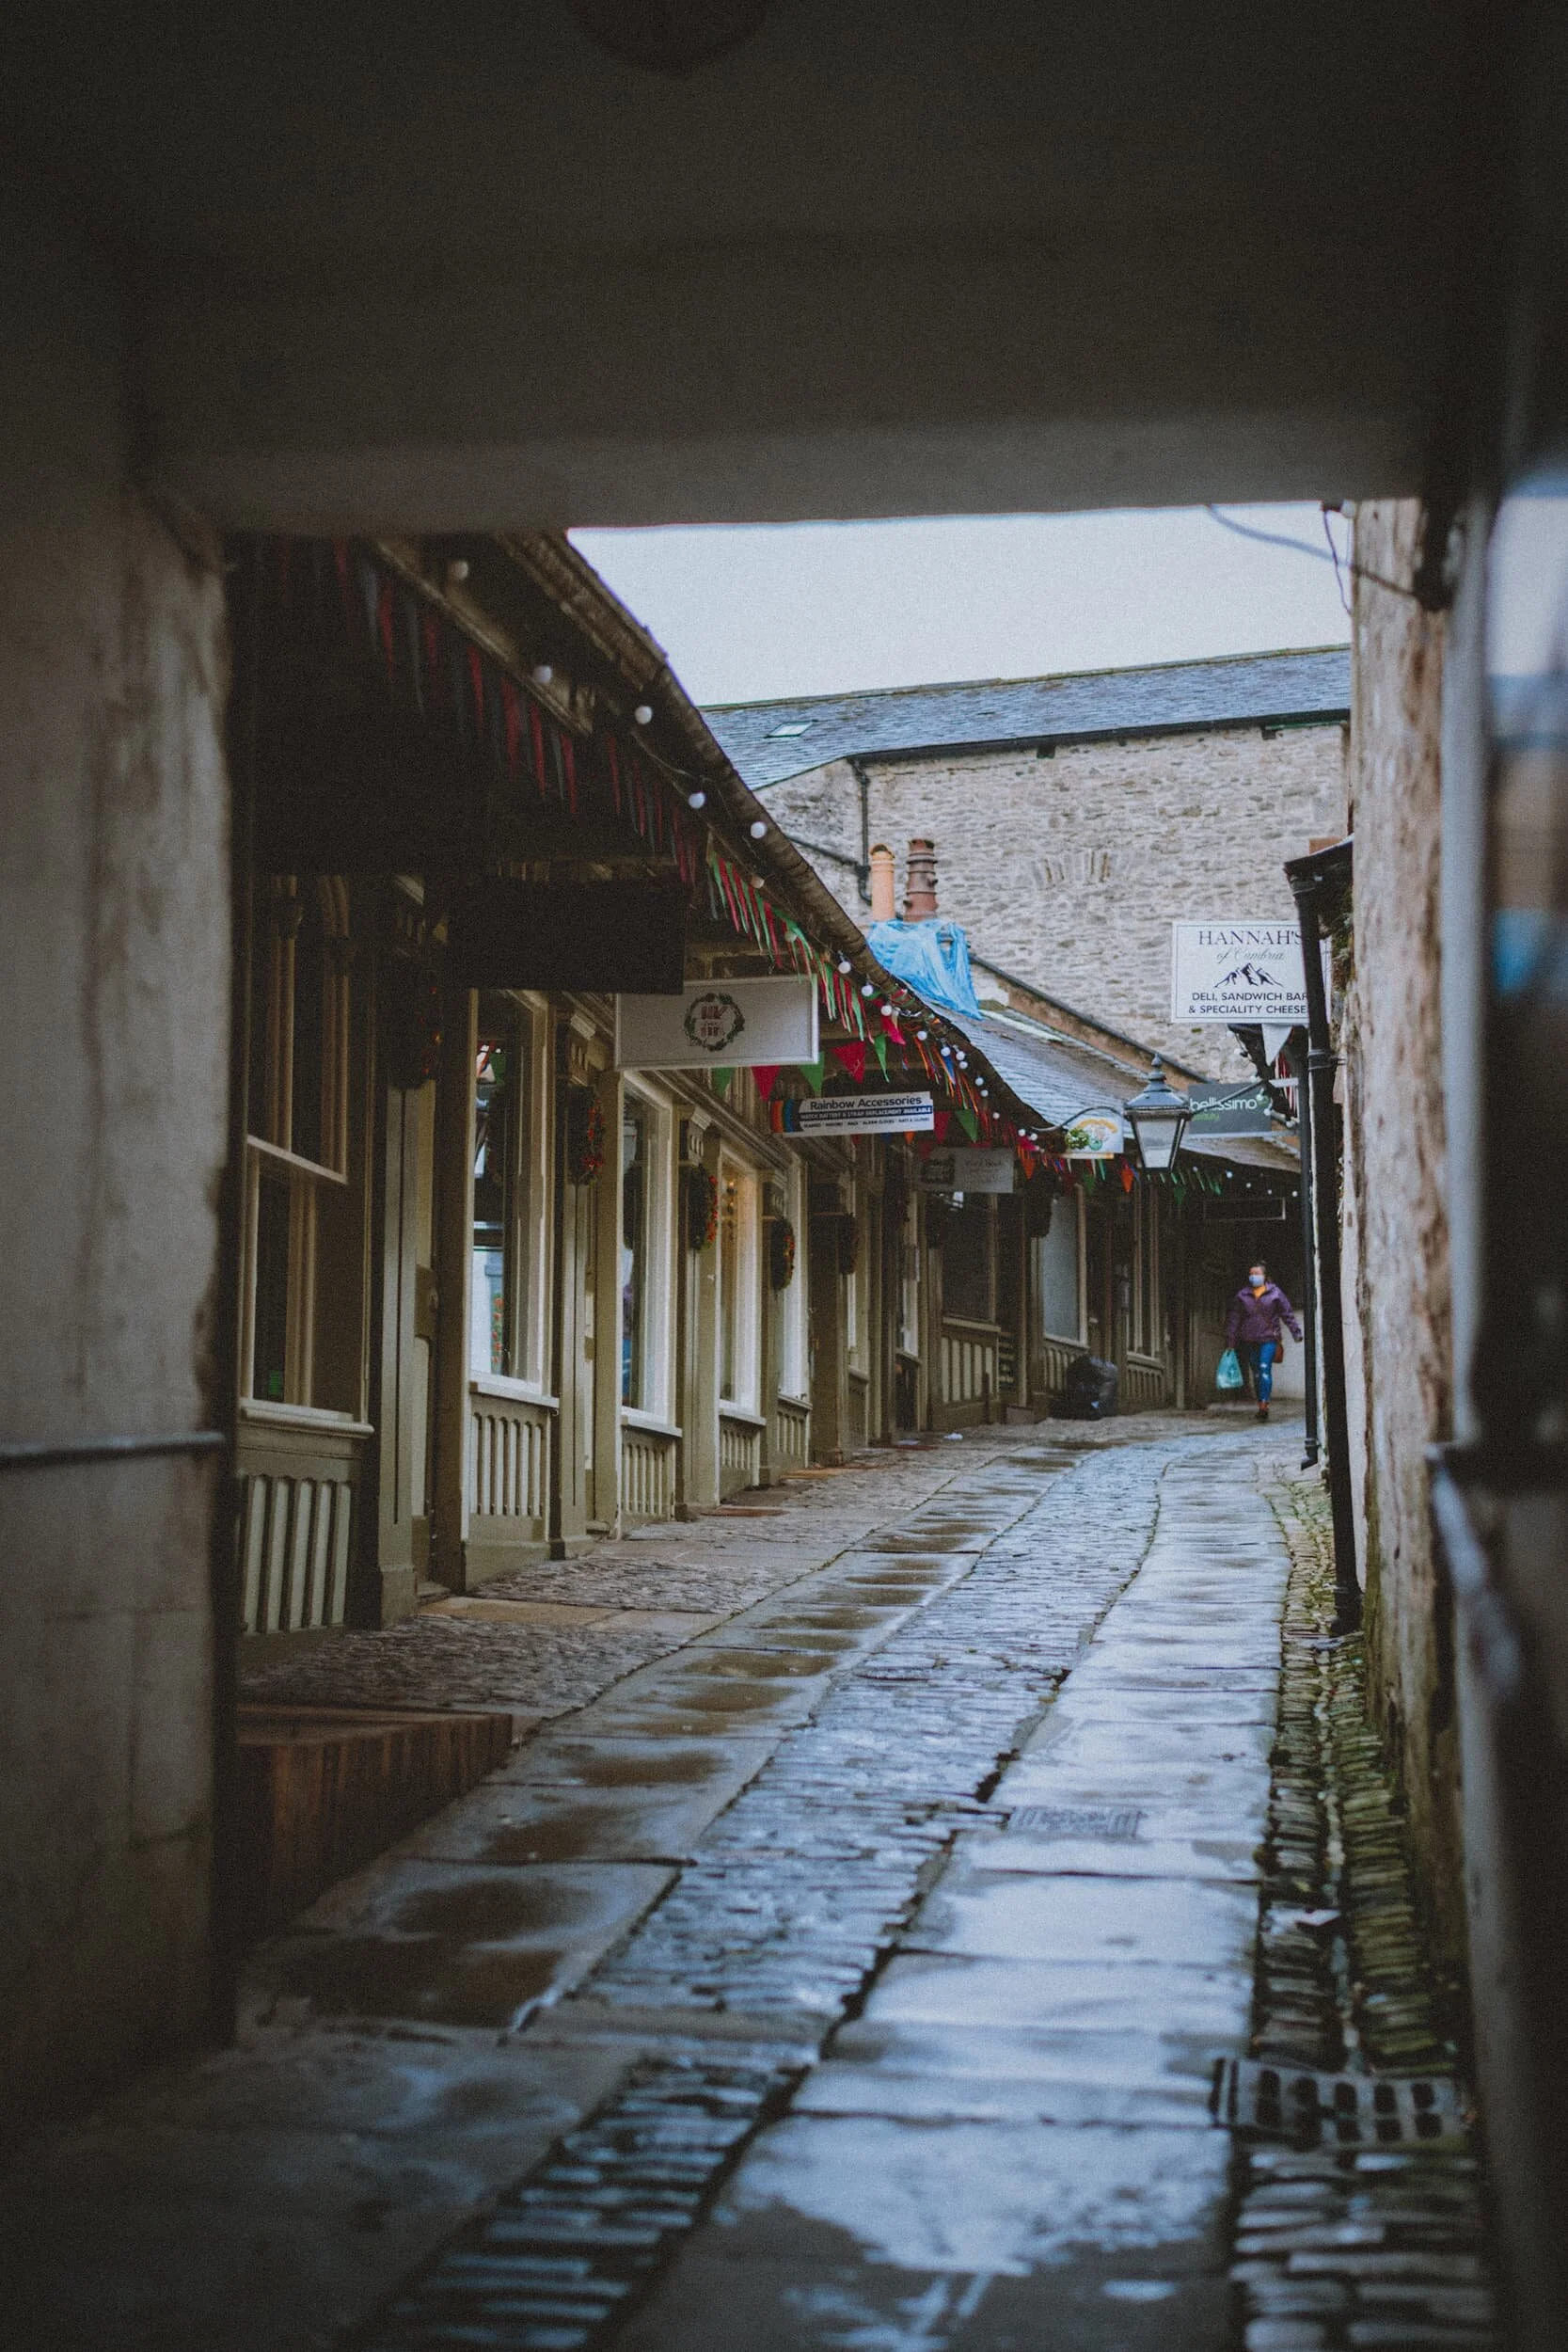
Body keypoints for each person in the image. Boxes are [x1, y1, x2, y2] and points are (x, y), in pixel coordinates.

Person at [1224, 1261, 1303, 1422]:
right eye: (1251, 1274)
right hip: (1250, 1339)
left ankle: (1264, 1405)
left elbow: (1287, 1313)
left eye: (1257, 1274)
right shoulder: (1242, 1296)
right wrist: (1231, 1341)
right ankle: (1260, 1400)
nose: (1254, 1277)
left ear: (1265, 1276)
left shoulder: (1275, 1293)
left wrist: (1296, 1332)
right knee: (1257, 1372)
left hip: (1269, 1338)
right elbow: (1234, 1319)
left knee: (1264, 1367)